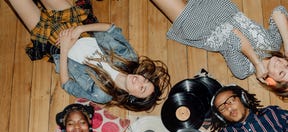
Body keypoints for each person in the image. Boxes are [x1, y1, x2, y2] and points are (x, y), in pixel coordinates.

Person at [8, 0, 171, 112]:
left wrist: (64, 49)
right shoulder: (129, 58)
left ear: (133, 98)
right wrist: (79, 30)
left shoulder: (102, 95)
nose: (140, 80)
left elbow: (67, 84)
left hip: (55, 43)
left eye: (141, 88)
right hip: (75, 24)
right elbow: (111, 29)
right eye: (145, 80)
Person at [151, 0, 288, 99]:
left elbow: (233, 34)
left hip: (197, 23)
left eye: (282, 72)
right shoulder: (274, 44)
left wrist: (257, 63)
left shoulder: (243, 70)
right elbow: (279, 11)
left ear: (271, 81)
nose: (282, 64)